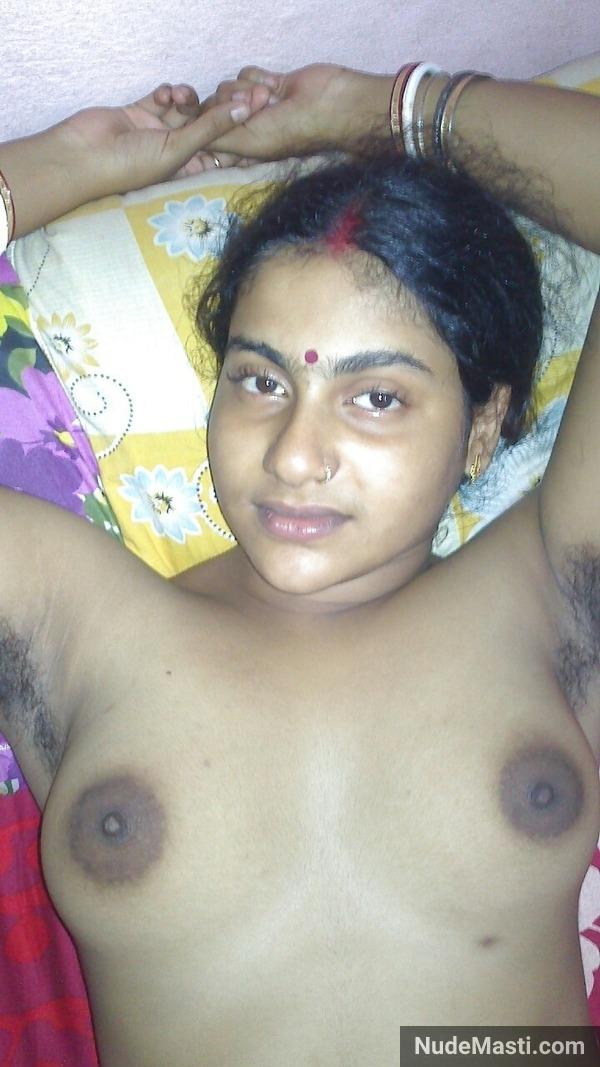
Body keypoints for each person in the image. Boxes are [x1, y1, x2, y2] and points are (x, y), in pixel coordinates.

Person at [0, 61, 599, 1066]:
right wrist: (72, 162)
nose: (293, 455)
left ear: (483, 424)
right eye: (260, 380)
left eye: (378, 397)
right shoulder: (68, 616)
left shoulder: (550, 593)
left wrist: (388, 109)